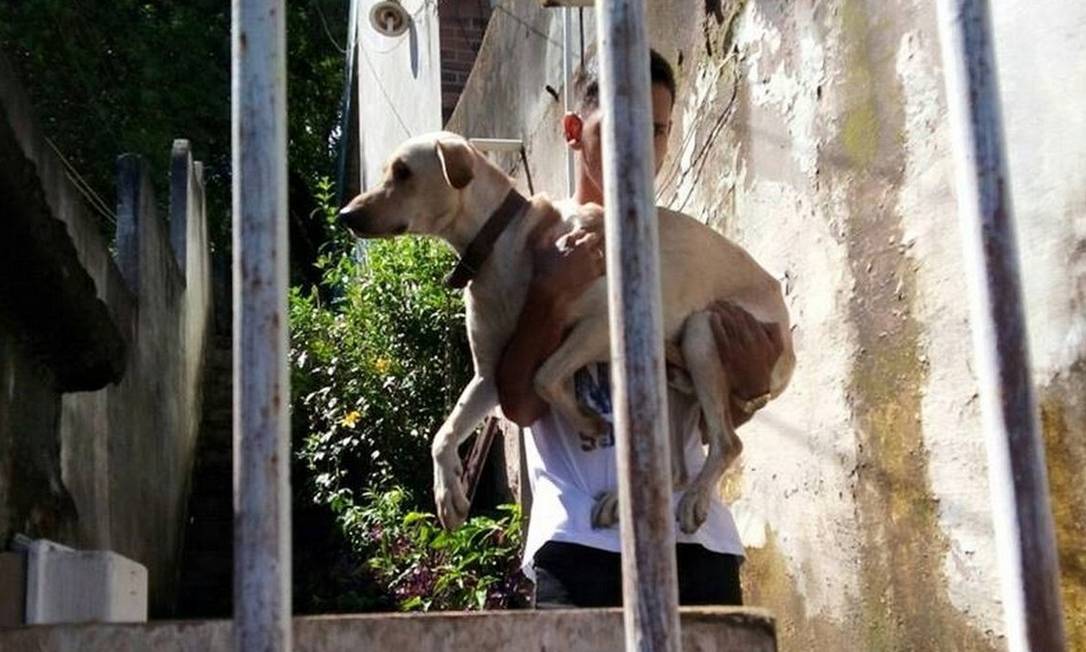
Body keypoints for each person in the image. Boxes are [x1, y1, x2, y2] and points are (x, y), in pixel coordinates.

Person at [495, 49, 785, 608]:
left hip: (695, 541)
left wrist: (751, 385)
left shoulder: (686, 254)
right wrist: (550, 293)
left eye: (656, 130)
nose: (641, 149)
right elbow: (520, 405)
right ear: (574, 130)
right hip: (581, 543)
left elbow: (715, 415)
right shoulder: (528, 242)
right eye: (621, 128)